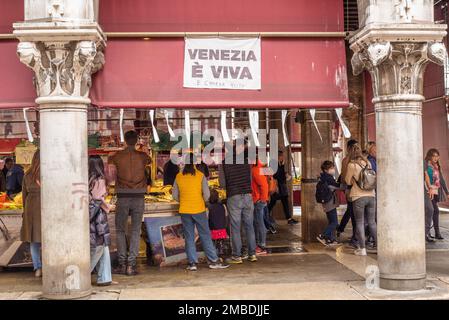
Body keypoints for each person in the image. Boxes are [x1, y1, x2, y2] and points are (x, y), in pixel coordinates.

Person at [172, 153, 229, 271]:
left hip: (185, 210)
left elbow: (174, 195)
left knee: (189, 237)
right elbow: (207, 195)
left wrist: (183, 201)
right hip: (198, 209)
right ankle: (213, 261)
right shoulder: (200, 175)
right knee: (205, 235)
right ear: (195, 163)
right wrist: (201, 200)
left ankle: (192, 263)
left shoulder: (178, 176)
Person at [108, 130, 151, 276]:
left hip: (122, 196)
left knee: (120, 230)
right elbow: (149, 163)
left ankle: (122, 263)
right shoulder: (143, 156)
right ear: (137, 140)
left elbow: (110, 166)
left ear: (125, 140)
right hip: (139, 196)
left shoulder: (117, 156)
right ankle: (131, 265)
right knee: (135, 230)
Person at [219, 143, 257, 264]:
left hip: (234, 196)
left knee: (235, 227)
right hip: (247, 195)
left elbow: (222, 184)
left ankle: (237, 256)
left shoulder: (224, 163)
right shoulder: (246, 162)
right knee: (249, 226)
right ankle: (252, 254)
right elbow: (250, 180)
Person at [88, 155, 117, 286]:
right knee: (99, 246)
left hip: (90, 216)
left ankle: (104, 278)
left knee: (103, 247)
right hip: (97, 217)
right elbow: (98, 200)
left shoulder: (86, 179)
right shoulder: (99, 180)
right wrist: (109, 206)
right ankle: (82, 273)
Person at [345, 144, 377, 256]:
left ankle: (362, 249)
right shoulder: (368, 163)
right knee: (372, 222)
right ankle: (378, 246)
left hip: (358, 196)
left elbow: (348, 181)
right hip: (371, 195)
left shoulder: (351, 165)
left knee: (359, 222)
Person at [20, 151, 42, 277]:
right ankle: (48, 264)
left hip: (30, 208)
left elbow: (24, 195)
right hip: (45, 206)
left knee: (34, 240)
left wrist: (25, 211)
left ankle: (38, 267)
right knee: (47, 239)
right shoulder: (49, 173)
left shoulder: (27, 174)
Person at [336, 139, 358, 245]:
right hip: (350, 189)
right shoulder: (346, 160)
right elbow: (344, 177)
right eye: (354, 147)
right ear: (349, 148)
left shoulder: (356, 159)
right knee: (352, 212)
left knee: (352, 211)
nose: (356, 150)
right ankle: (354, 236)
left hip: (355, 189)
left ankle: (343, 230)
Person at [267, 151, 298, 225]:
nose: (283, 158)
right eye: (281, 156)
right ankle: (265, 215)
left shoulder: (279, 163)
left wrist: (284, 171)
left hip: (281, 186)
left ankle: (289, 218)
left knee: (284, 202)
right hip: (277, 186)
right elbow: (276, 175)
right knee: (273, 202)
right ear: (278, 157)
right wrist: (283, 170)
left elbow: (280, 173)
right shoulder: (273, 163)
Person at [424, 148, 448, 241]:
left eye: (437, 156)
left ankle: (435, 233)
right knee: (432, 210)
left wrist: (447, 192)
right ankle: (430, 233)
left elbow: (441, 179)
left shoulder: (436, 166)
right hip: (427, 191)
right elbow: (425, 176)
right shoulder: (426, 164)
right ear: (429, 156)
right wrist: (428, 187)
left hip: (435, 191)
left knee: (434, 211)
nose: (436, 158)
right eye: (434, 156)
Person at [317, 161, 342, 246]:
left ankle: (330, 239)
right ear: (326, 170)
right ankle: (323, 235)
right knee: (334, 222)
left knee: (331, 221)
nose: (333, 169)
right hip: (329, 202)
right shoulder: (328, 178)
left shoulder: (323, 177)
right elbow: (337, 186)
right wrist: (348, 186)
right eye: (331, 168)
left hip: (327, 202)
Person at [252, 158, 269, 255]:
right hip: (259, 199)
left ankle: (261, 246)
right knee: (258, 222)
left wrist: (262, 199)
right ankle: (260, 245)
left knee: (259, 223)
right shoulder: (260, 168)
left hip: (258, 200)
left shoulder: (255, 170)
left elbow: (264, 185)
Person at [207, 188, 228, 257]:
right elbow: (226, 215)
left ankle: (215, 255)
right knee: (221, 242)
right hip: (222, 230)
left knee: (213, 244)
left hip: (213, 230)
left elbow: (207, 218)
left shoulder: (208, 208)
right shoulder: (223, 206)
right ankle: (222, 252)